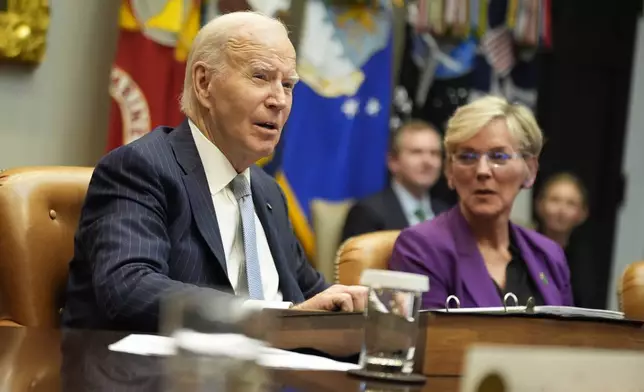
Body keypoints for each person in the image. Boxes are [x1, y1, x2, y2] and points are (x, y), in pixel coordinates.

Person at [61, 11, 367, 332]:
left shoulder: (266, 191)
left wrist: (357, 310)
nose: (279, 100)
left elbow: (308, 295)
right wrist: (269, 318)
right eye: (261, 77)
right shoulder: (141, 169)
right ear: (204, 83)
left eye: (288, 84)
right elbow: (129, 288)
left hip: (274, 376)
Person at [389, 95, 574, 309]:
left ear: (530, 170)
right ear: (449, 170)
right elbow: (433, 340)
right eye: (467, 157)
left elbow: (568, 339)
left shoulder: (548, 255)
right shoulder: (421, 248)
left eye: (498, 157)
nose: (482, 171)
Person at [341, 120, 450, 242]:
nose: (427, 161)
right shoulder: (367, 213)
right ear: (393, 161)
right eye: (416, 152)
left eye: (434, 153)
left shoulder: (446, 214)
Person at [535, 172, 592, 307]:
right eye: (555, 200)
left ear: (583, 214)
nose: (561, 210)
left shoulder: (584, 264)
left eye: (570, 204)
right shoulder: (523, 248)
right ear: (539, 205)